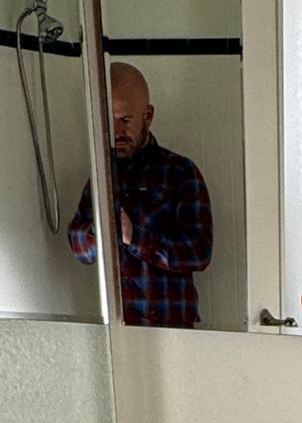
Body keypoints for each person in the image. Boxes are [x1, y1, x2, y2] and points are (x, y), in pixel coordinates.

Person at [67, 61, 212, 327]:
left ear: (148, 115)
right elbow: (79, 249)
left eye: (125, 120)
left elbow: (200, 252)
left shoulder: (180, 172)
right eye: (108, 120)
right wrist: (98, 232)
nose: (116, 132)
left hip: (172, 330)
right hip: (117, 328)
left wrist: (134, 237)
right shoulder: (102, 177)